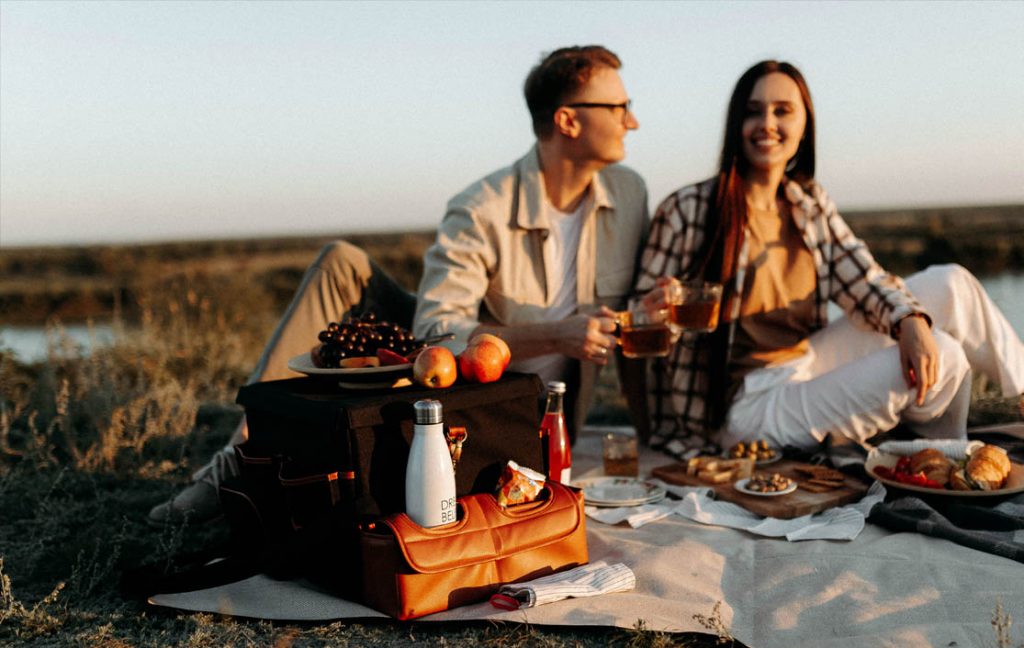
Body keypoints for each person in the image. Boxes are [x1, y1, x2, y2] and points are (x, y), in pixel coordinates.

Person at [149, 45, 648, 525]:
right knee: (341, 263)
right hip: (461, 387)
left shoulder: (630, 194)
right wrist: (560, 334)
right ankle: (241, 456)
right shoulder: (482, 206)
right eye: (620, 106)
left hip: (529, 410)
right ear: (568, 120)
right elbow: (438, 331)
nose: (632, 120)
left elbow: (633, 316)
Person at [635, 60, 1023, 458]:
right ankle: (941, 458)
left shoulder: (808, 204)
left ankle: (1020, 395)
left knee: (950, 283)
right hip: (743, 408)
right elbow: (637, 325)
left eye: (782, 111)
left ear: (805, 127)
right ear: (736, 124)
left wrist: (909, 321)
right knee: (946, 354)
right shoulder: (689, 209)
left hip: (806, 362)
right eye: (753, 111)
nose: (767, 123)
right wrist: (656, 314)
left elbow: (864, 280)